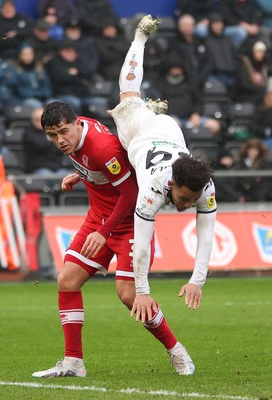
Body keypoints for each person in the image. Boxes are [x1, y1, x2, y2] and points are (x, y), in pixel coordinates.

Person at [32, 15, 217, 380]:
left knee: (130, 295)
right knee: (67, 280)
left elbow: (129, 189)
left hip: (124, 215)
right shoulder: (76, 132)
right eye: (53, 136)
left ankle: (176, 350)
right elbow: (110, 169)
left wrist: (197, 279)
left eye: (62, 133)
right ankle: (73, 362)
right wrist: (81, 173)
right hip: (114, 195)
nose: (59, 140)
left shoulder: (110, 152)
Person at [108, 14, 217, 332]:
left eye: (191, 200)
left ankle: (150, 107)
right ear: (171, 184)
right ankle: (139, 38)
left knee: (143, 105)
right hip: (138, 135)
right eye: (184, 200)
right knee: (128, 93)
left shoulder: (204, 186)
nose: (186, 206)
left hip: (171, 131)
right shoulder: (153, 190)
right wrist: (142, 291)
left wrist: (198, 281)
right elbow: (142, 243)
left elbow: (206, 233)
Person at [23, 107, 73, 176]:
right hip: (39, 168)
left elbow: (59, 148)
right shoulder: (29, 133)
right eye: (37, 120)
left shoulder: (52, 131)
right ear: (32, 120)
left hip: (58, 168)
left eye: (42, 119)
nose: (40, 122)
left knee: (71, 176)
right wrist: (51, 140)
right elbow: (40, 145)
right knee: (47, 175)